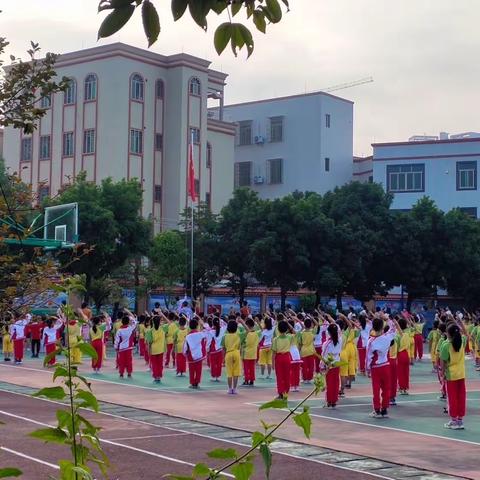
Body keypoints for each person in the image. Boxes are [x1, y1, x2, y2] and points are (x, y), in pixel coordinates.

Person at [366, 315, 398, 418]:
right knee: (386, 388)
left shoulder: (371, 341)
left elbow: (368, 357)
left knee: (376, 389)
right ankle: (384, 409)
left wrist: (367, 369)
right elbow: (393, 328)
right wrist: (387, 319)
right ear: (382, 327)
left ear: (373, 327)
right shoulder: (387, 337)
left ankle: (377, 410)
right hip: (386, 366)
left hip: (376, 368)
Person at [441, 322, 467, 429]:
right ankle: (460, 420)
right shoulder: (462, 341)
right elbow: (464, 332)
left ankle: (453, 420)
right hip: (461, 373)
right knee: (461, 397)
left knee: (452, 398)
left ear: (449, 333)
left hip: (451, 374)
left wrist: (442, 374)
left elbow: (443, 362)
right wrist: (458, 322)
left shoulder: (446, 345)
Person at [322, 322, 342, 408]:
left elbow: (324, 355)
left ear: (329, 332)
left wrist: (322, 366)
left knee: (329, 383)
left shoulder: (327, 343)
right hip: (337, 363)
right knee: (336, 382)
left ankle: (329, 401)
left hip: (329, 364)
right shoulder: (340, 340)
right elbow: (340, 331)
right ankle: (334, 401)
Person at [271, 320, 293, 400]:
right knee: (287, 376)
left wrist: (272, 363)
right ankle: (286, 393)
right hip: (287, 357)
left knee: (279, 376)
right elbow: (294, 331)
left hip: (279, 358)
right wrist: (288, 324)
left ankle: (281, 393)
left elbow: (273, 353)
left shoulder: (275, 339)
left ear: (278, 329)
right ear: (286, 329)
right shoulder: (289, 337)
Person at [183, 318, 207, 388]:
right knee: (198, 370)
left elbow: (185, 347)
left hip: (190, 355)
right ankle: (197, 383)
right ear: (197, 326)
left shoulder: (188, 336)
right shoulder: (200, 334)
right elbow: (205, 338)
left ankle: (192, 383)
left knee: (191, 370)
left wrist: (185, 353)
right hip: (199, 355)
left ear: (189, 326)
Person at [146, 315, 168, 383]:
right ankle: (159, 376)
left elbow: (149, 343)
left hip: (153, 350)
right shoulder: (163, 328)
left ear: (152, 322)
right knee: (160, 364)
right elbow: (169, 322)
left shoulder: (149, 331)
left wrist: (149, 351)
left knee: (154, 364)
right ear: (160, 322)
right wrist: (163, 315)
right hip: (161, 349)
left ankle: (156, 376)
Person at [114, 312, 137, 378]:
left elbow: (117, 340)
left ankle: (121, 373)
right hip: (129, 348)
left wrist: (116, 347)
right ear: (128, 322)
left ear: (122, 322)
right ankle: (129, 373)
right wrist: (130, 314)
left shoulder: (119, 330)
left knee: (121, 361)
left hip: (121, 348)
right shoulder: (130, 328)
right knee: (129, 361)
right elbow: (135, 321)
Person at [222, 320, 242, 394]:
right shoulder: (239, 335)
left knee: (229, 373)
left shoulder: (224, 336)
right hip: (236, 353)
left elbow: (223, 348)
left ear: (227, 328)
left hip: (228, 353)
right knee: (236, 372)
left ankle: (230, 389)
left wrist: (223, 358)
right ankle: (235, 389)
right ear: (236, 328)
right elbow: (240, 346)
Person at [240, 317, 259, 386]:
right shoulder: (256, 333)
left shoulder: (246, 333)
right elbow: (257, 343)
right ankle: (252, 380)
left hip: (246, 353)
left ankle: (246, 380)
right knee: (252, 368)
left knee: (246, 368)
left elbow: (243, 342)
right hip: (253, 353)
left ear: (247, 325)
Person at [209, 317, 226, 381]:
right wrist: (221, 320)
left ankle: (213, 376)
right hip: (220, 349)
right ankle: (218, 376)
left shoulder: (211, 331)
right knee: (219, 363)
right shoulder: (222, 329)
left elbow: (209, 340)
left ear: (212, 324)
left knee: (213, 363)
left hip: (213, 349)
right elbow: (226, 324)